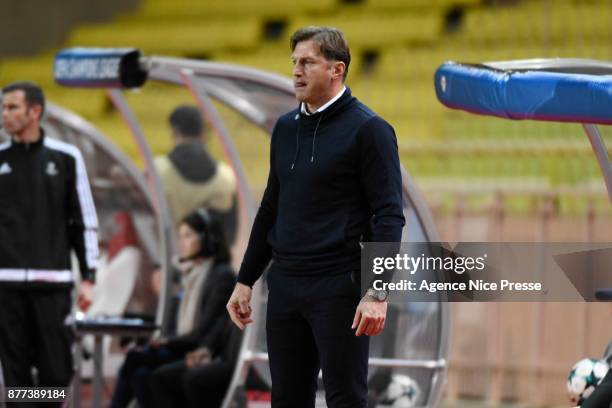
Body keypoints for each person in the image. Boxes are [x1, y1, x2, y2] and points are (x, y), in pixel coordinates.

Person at [226, 26, 405, 408]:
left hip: (339, 285)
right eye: (294, 62)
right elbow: (270, 208)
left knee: (345, 398)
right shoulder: (285, 128)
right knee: (287, 399)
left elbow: (389, 216)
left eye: (307, 62)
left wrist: (377, 291)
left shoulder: (370, 130)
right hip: (286, 284)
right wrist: (246, 279)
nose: (296, 71)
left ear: (336, 70)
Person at [0, 82, 99, 393]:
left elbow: (84, 220)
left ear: (35, 111)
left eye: (12, 107)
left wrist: (89, 276)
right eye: (3, 108)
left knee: (56, 371)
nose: (5, 114)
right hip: (6, 285)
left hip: (53, 283)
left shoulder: (67, 158)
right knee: (15, 372)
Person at [110, 208, 236, 408]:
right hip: (183, 345)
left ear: (208, 239)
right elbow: (174, 322)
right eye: (180, 236)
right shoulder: (189, 274)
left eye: (188, 236)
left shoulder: (221, 276)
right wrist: (164, 338)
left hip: (198, 349)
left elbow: (205, 330)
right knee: (140, 375)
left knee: (135, 360)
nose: (182, 243)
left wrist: (167, 342)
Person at [154, 105, 238, 244]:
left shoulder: (157, 170)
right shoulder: (227, 175)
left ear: (174, 131)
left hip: (168, 256)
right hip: (211, 258)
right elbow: (230, 235)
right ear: (203, 134)